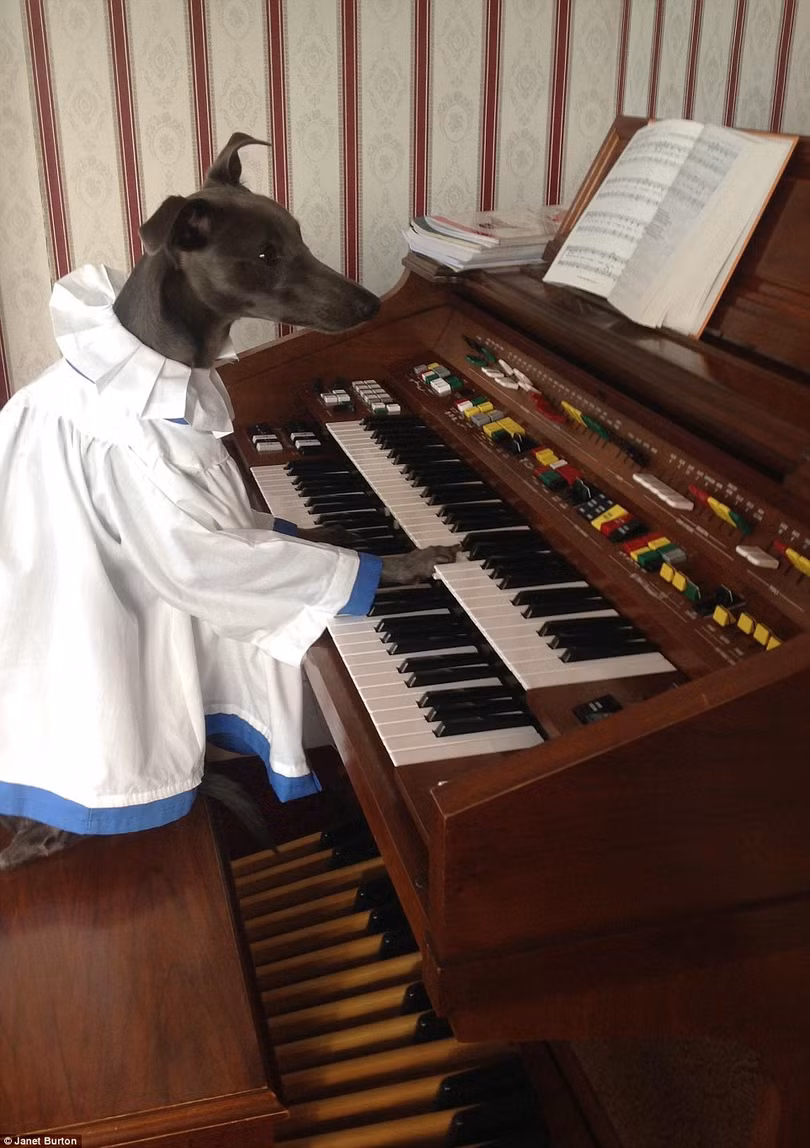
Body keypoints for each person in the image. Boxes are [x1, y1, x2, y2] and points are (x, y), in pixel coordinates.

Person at [0, 263, 389, 841]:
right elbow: (192, 563)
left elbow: (181, 515)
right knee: (109, 696)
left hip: (73, 558)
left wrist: (293, 538)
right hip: (68, 588)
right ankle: (86, 804)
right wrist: (356, 576)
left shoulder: (129, 367)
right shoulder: (122, 425)